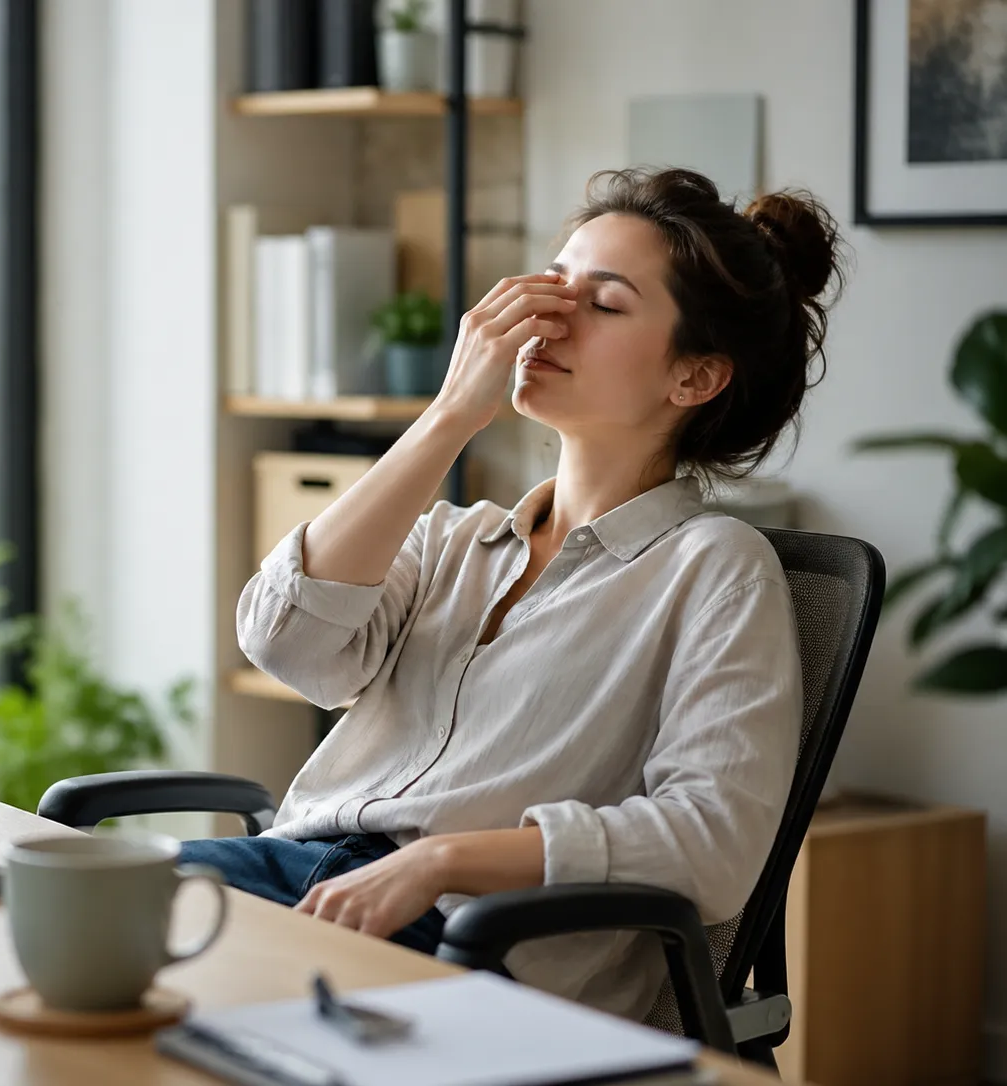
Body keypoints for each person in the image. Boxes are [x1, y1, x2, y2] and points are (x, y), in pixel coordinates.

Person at [179, 166, 845, 1020]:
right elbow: (288, 644)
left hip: (474, 939)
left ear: (693, 378)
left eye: (603, 304)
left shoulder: (715, 568)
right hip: (297, 869)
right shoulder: (451, 539)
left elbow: (712, 844)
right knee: (64, 919)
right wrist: (449, 416)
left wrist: (442, 861)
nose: (549, 321)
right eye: (552, 286)